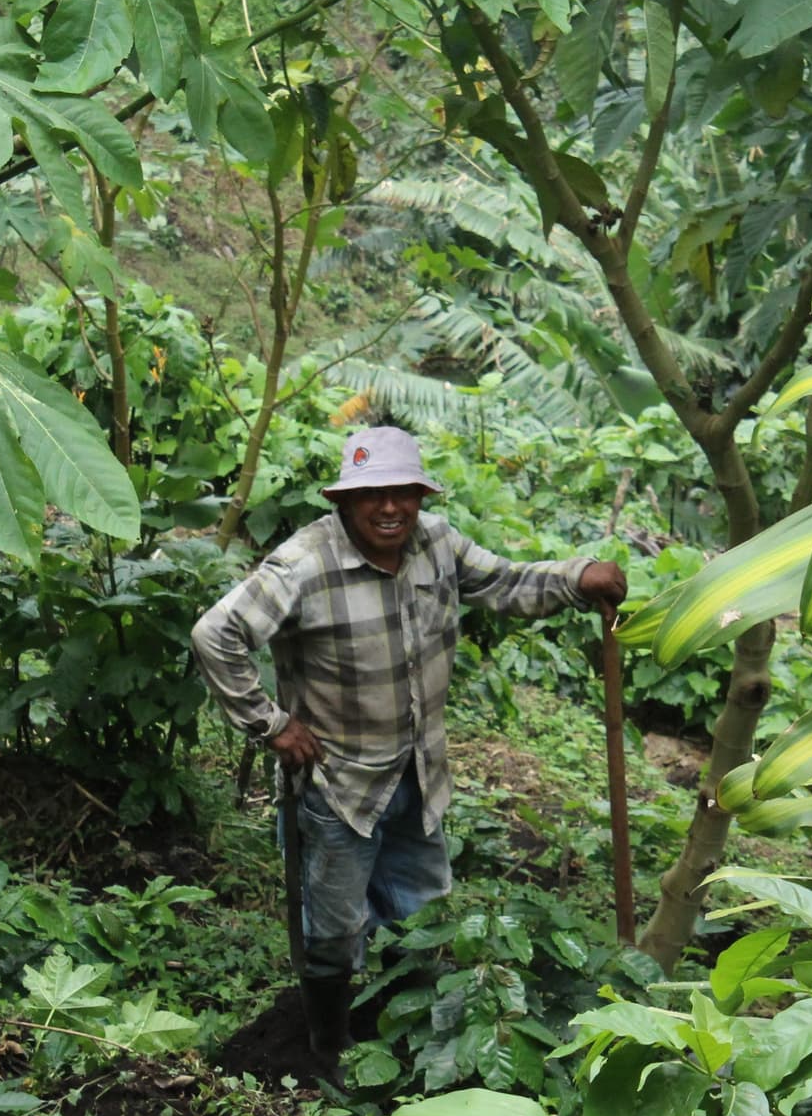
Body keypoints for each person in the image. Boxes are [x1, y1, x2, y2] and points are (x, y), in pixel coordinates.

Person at [190, 427, 627, 1065]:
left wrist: (577, 576)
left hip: (418, 773)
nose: (390, 507)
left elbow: (503, 583)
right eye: (374, 495)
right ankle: (329, 1049)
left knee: (423, 915)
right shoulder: (306, 564)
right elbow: (215, 635)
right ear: (345, 500)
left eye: (404, 492)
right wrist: (272, 723)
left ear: (421, 495)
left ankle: (412, 1043)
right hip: (341, 784)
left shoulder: (436, 543)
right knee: (336, 930)